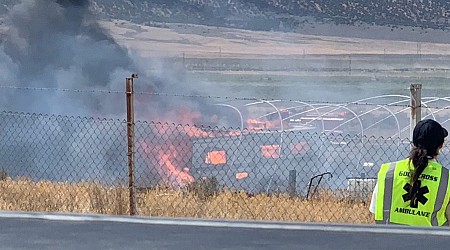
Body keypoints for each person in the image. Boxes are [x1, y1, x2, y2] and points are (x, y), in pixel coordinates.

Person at [369, 119, 450, 226]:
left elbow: (374, 211)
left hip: (387, 240)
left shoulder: (389, 173)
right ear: (440, 146)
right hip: (430, 241)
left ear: (414, 142)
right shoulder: (446, 179)